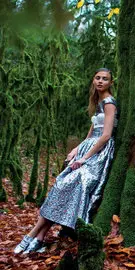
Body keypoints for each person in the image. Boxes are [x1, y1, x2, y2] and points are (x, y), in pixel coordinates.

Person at [14, 68, 118, 254]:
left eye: (105, 79)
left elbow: (105, 136)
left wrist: (85, 159)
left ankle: (32, 234)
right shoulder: (97, 101)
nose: (101, 81)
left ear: (111, 83)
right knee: (60, 185)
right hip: (87, 149)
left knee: (69, 184)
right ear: (93, 80)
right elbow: (91, 132)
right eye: (97, 78)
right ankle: (38, 236)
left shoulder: (109, 102)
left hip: (99, 154)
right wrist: (76, 149)